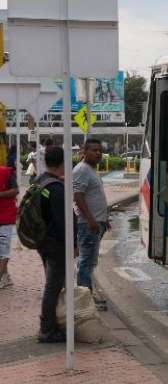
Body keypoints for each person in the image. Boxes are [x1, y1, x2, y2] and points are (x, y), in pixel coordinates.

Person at [35, 146, 74, 342]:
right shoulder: (57, 189)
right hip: (56, 245)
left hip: (43, 242)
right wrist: (72, 245)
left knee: (53, 285)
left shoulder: (41, 181)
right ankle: (47, 330)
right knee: (53, 287)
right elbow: (63, 221)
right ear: (62, 163)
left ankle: (50, 324)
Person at [72, 138, 109, 310]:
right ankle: (85, 302)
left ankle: (88, 296)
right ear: (84, 151)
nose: (98, 153)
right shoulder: (82, 170)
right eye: (94, 150)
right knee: (86, 262)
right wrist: (91, 220)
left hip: (96, 223)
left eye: (100, 150)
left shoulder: (91, 169)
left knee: (90, 262)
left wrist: (104, 220)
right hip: (88, 225)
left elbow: (94, 196)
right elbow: (77, 195)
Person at [0, 163, 18, 289]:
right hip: (6, 215)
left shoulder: (6, 172)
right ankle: (5, 275)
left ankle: (1, 276)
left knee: (3, 249)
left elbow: (15, 190)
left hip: (6, 216)